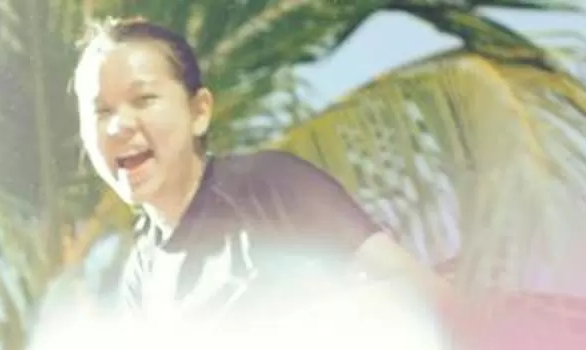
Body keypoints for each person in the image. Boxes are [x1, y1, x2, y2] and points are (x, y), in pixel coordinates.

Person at [76, 16, 444, 317]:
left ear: (199, 112)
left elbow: (432, 303)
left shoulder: (273, 188)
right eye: (101, 111)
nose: (117, 126)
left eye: (143, 99)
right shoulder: (141, 279)